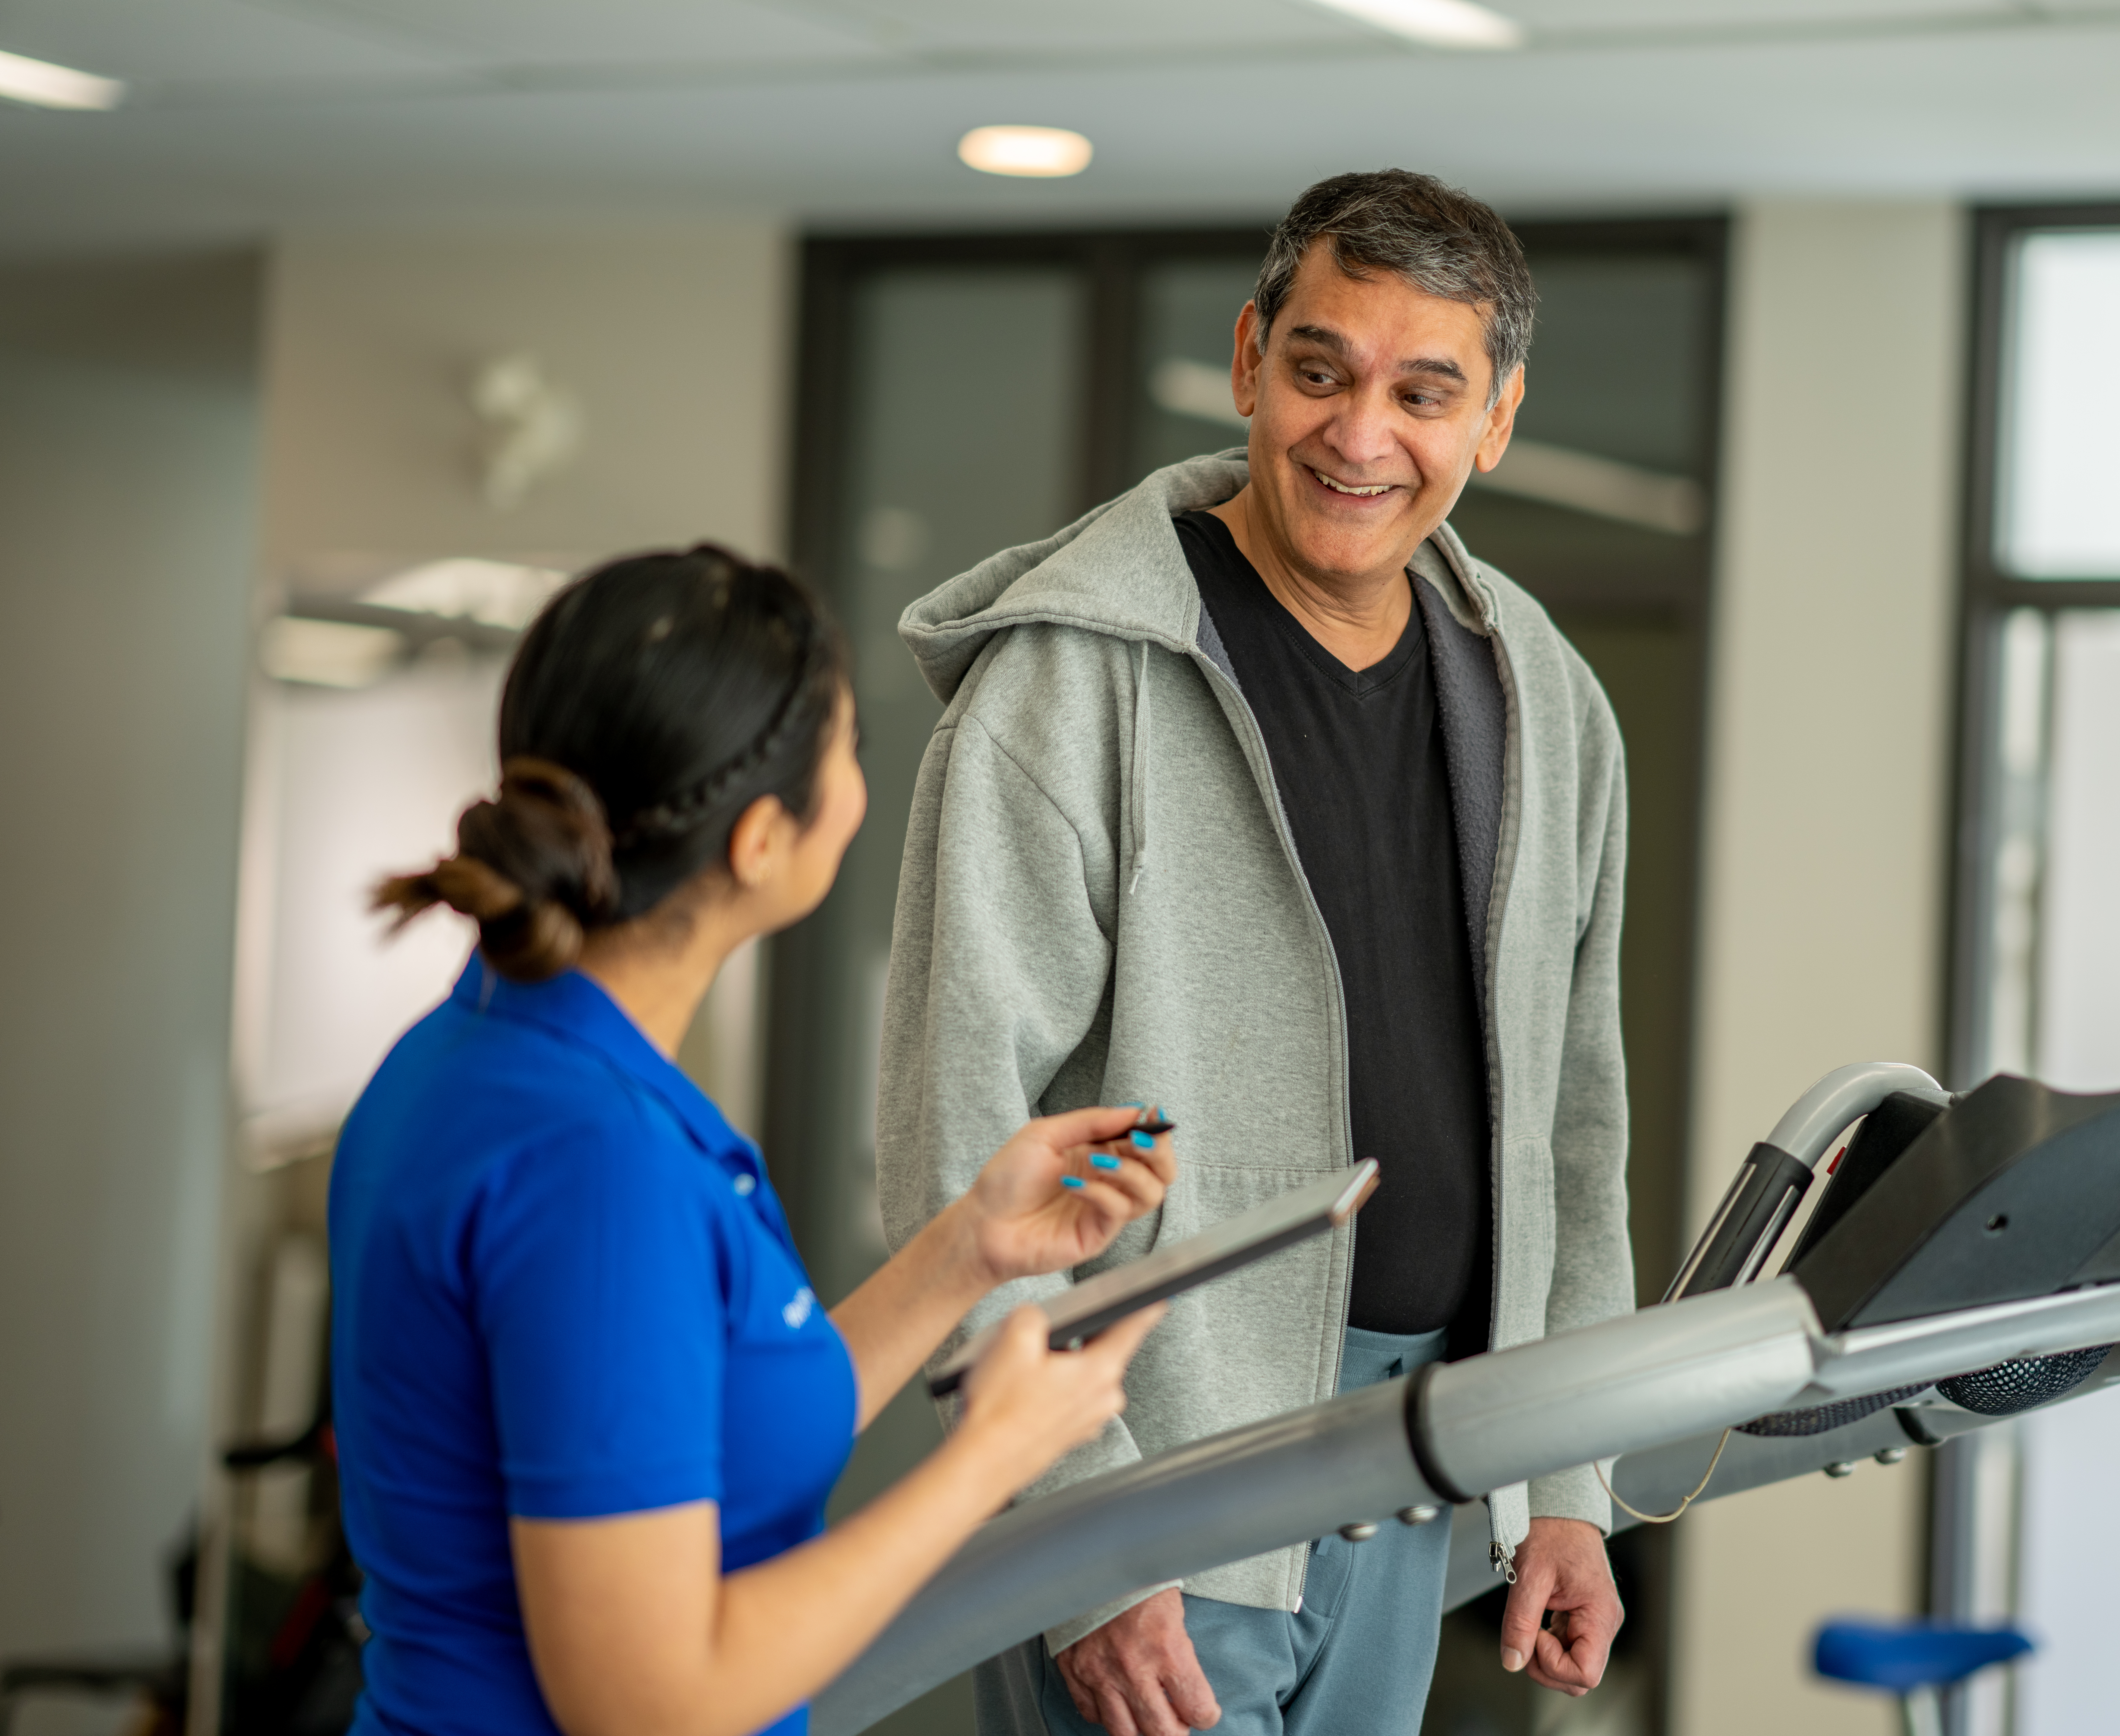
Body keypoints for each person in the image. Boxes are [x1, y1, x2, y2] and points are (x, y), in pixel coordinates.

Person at [878, 169, 1634, 1736]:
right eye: (1320, 372)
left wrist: (1569, 1471)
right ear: (1247, 361)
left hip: (1417, 1461)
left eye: (1423, 393)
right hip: (1152, 1461)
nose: (1360, 436)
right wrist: (1079, 1533)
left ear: (1495, 419)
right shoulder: (1072, 685)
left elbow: (1577, 1129)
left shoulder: (1541, 701)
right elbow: (957, 1141)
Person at [329, 545, 1173, 1736]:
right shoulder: (597, 1165)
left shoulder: (477, 1059)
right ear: (761, 841)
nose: (863, 786)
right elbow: (653, 1701)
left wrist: (970, 1251)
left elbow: (697, 1425)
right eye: (849, 753)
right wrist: (988, 1459)